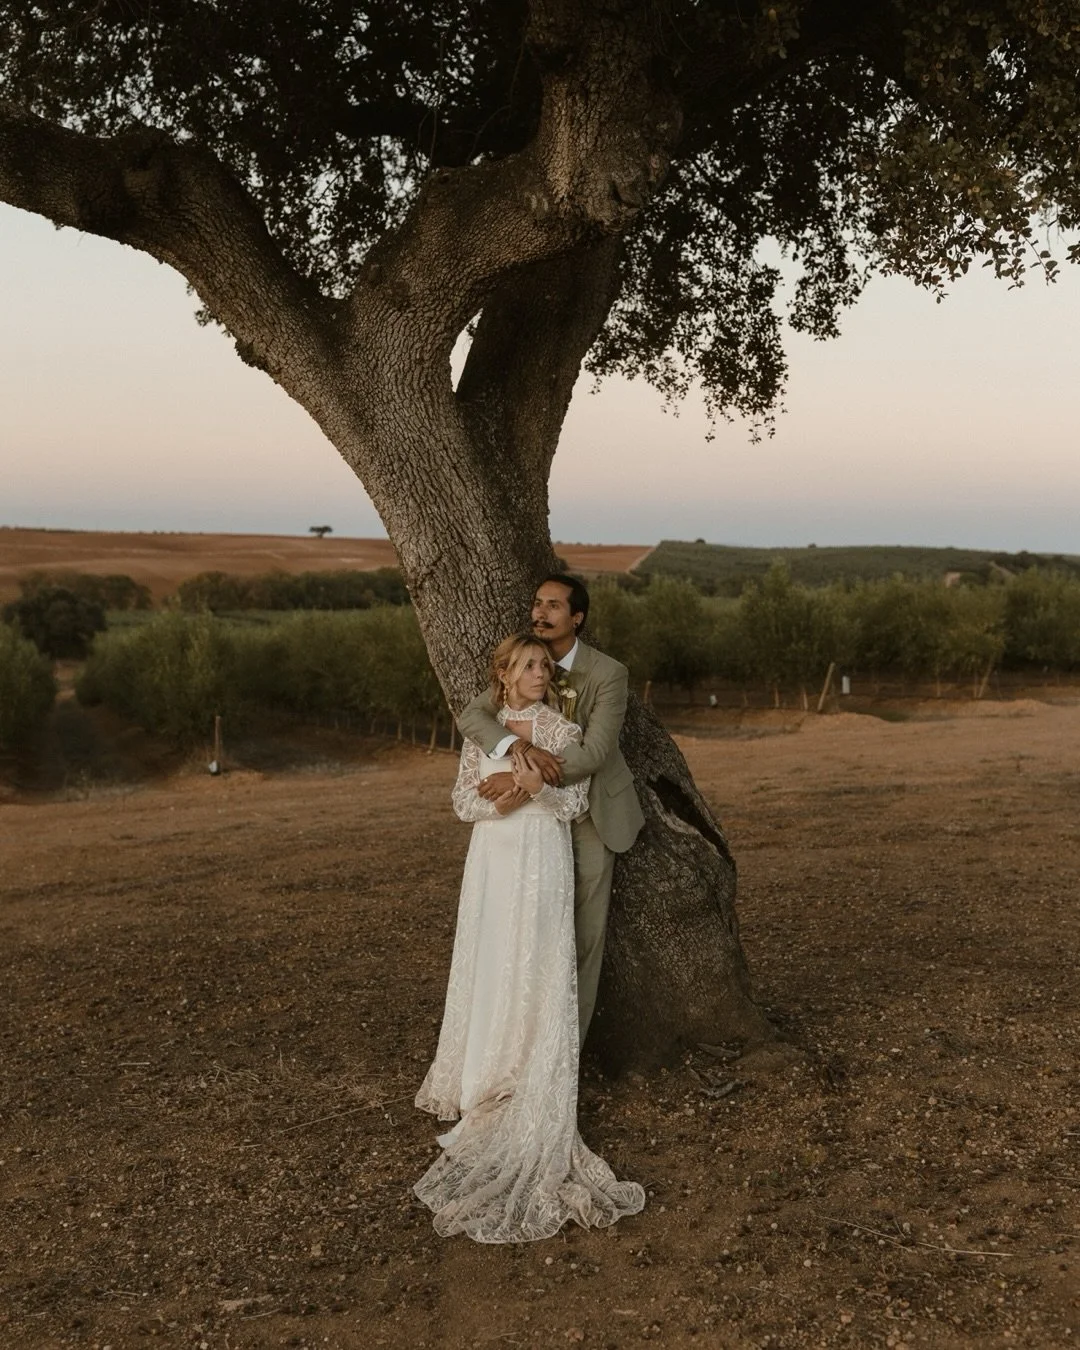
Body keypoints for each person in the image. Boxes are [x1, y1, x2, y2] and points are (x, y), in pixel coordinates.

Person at [414, 633, 644, 1243]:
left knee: (537, 961)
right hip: (494, 859)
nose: (541, 673)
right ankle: (484, 1073)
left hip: (543, 859)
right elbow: (462, 802)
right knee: (493, 960)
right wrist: (499, 803)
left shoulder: (562, 731)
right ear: (506, 674)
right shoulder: (485, 730)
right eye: (529, 666)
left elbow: (572, 805)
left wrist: (529, 789)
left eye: (545, 665)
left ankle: (526, 1069)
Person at [456, 575, 645, 1043]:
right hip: (531, 824)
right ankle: (517, 1042)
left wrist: (525, 776)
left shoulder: (607, 673)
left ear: (576, 618)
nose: (540, 613)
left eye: (554, 606)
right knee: (529, 933)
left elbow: (595, 753)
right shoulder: (528, 661)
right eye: (538, 603)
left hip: (592, 811)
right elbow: (472, 716)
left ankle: (564, 1052)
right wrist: (518, 748)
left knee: (581, 938)